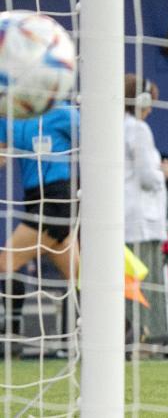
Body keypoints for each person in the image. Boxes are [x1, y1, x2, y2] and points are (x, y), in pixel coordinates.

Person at [0, 100, 79, 330]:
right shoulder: (10, 115)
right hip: (34, 199)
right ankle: (122, 331)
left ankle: (11, 332)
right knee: (77, 276)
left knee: (6, 262)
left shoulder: (64, 113)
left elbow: (96, 147)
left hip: (57, 199)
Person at [124, 74, 168, 348]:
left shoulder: (114, 127)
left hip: (123, 220)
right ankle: (148, 338)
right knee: (146, 286)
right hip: (141, 222)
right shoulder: (138, 129)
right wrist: (166, 172)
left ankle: (132, 336)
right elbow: (148, 177)